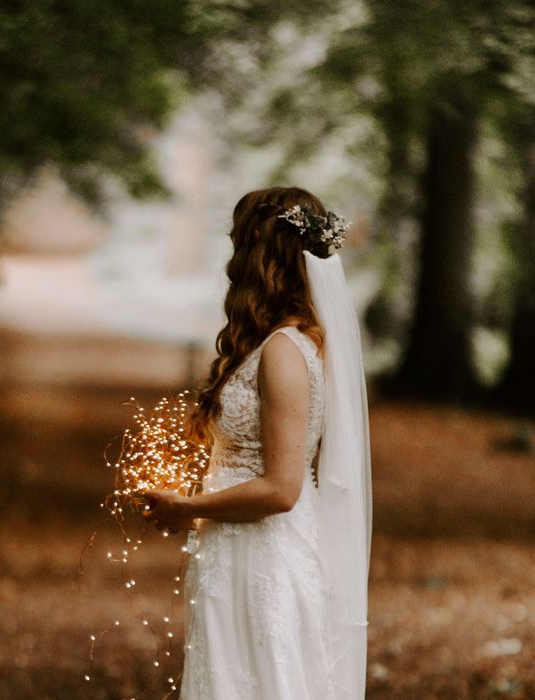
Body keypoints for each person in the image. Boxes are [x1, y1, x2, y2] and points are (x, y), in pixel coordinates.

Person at [145, 187, 371, 699]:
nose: (232, 259)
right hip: (237, 554)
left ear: (261, 253)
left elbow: (281, 490)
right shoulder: (277, 343)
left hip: (263, 558)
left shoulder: (283, 353)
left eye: (238, 242)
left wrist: (188, 507)